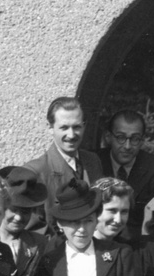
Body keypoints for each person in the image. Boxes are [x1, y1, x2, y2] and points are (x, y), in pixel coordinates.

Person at [22, 97, 104, 228]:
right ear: (50, 128)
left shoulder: (93, 161)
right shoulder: (35, 171)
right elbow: (33, 230)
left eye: (76, 127)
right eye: (64, 127)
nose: (71, 135)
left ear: (84, 126)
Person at [101, 110, 154, 242]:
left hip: (137, 246)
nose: (127, 146)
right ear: (109, 137)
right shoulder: (94, 162)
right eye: (120, 137)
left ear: (142, 140)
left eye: (135, 139)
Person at [94, 177, 135, 246]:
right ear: (95, 210)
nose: (118, 220)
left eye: (124, 212)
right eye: (112, 211)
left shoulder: (130, 250)